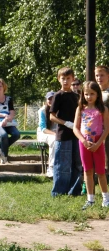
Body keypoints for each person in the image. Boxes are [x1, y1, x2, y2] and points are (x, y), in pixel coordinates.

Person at [72, 81, 109, 209]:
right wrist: (83, 141)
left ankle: (106, 199)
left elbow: (106, 129)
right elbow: (75, 128)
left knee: (100, 171)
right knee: (87, 171)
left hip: (98, 143)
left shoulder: (103, 110)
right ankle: (90, 199)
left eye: (92, 94)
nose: (89, 97)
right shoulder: (80, 109)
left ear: (98, 94)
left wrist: (98, 143)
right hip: (84, 143)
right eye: (86, 94)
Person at [49, 67, 82, 197]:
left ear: (73, 79)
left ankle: (74, 191)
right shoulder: (58, 95)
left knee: (77, 164)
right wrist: (66, 123)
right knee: (61, 165)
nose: (66, 81)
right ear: (59, 79)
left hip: (76, 135)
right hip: (63, 135)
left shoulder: (76, 96)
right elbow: (52, 116)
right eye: (63, 78)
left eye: (68, 78)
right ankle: (58, 192)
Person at [0, 78, 20, 164]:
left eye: (0, 86)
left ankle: (0, 147)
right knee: (3, 134)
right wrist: (3, 115)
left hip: (8, 122)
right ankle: (4, 156)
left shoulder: (9, 99)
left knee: (16, 134)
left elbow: (12, 112)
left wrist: (7, 118)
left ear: (4, 87)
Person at [95, 65, 109, 189]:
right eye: (97, 75)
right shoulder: (93, 92)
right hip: (95, 130)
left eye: (102, 75)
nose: (99, 78)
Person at [37, 91, 58, 177]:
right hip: (44, 133)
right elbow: (43, 128)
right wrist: (54, 134)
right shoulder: (42, 110)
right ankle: (51, 167)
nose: (51, 101)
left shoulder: (60, 110)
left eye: (53, 99)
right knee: (54, 140)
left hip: (55, 132)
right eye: (49, 99)